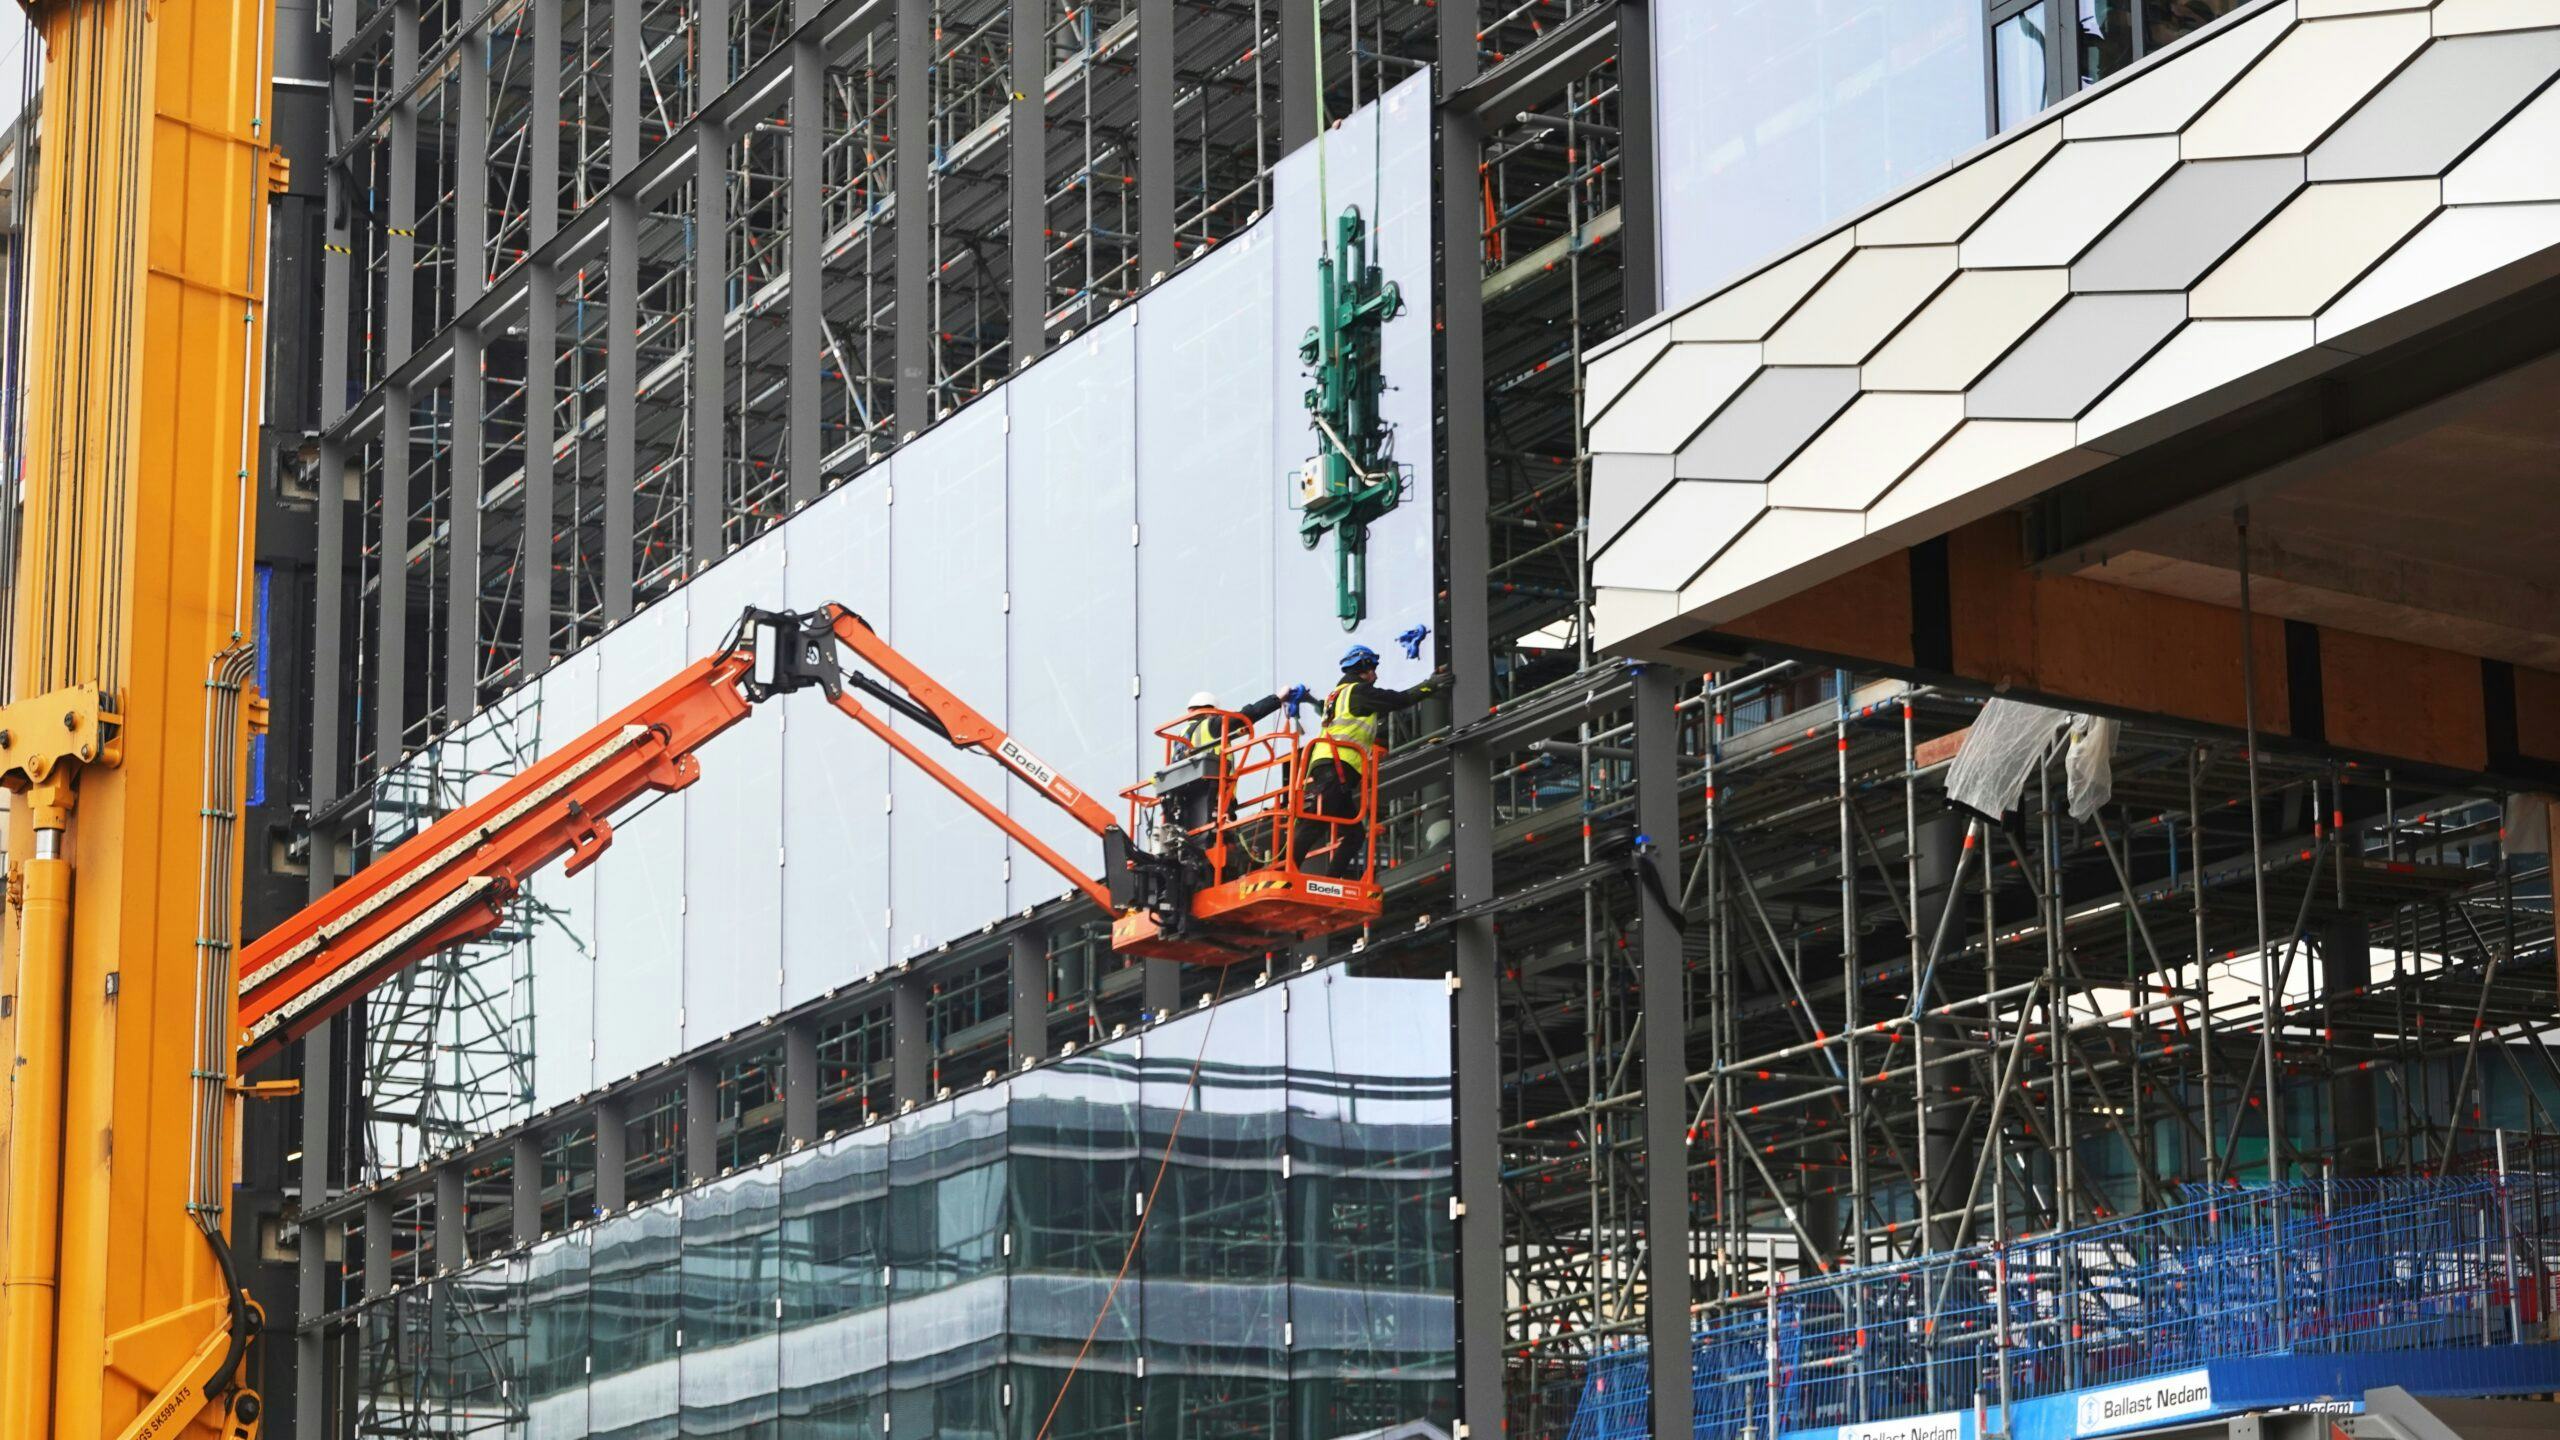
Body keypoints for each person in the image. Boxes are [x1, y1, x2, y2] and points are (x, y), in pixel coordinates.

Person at [1297, 645, 1443, 877]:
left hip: (1334, 767)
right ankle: (1285, 872)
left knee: (1355, 835)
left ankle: (1331, 881)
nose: (1376, 674)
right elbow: (1398, 699)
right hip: (1337, 765)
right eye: (1373, 668)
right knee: (1315, 823)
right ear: (1363, 668)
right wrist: (1430, 685)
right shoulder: (1358, 692)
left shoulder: (1337, 695)